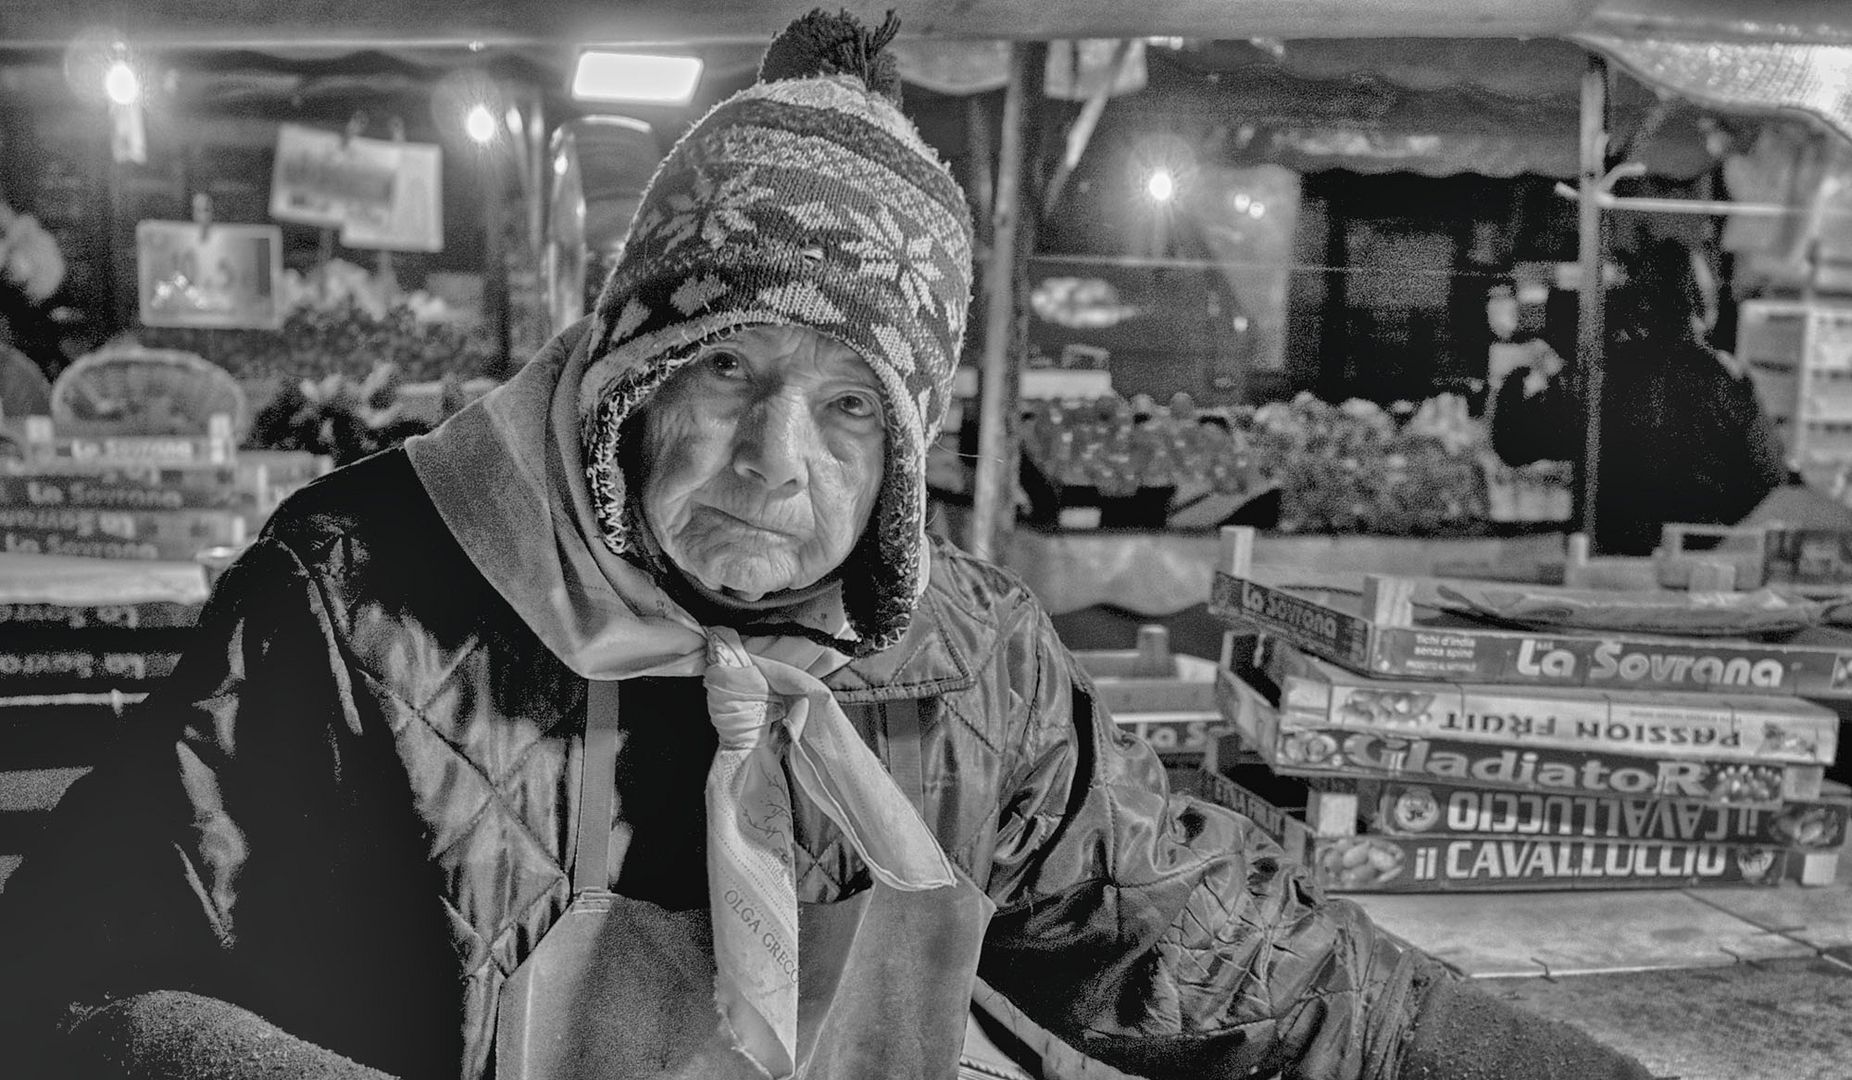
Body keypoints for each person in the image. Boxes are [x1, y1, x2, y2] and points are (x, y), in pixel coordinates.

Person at [0, 13, 1655, 1080]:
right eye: (721, 365)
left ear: (909, 443)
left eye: (849, 408)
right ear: (623, 372)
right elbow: (76, 991)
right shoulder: (358, 596)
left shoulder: (965, 661)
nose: (771, 465)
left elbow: (1255, 971)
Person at [1492, 237, 1786, 555]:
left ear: (1636, 302)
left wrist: (1518, 376)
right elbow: (1769, 475)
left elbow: (1514, 442)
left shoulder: (1606, 373)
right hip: (1691, 560)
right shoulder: (1725, 379)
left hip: (1608, 555)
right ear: (1705, 306)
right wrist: (1709, 531)